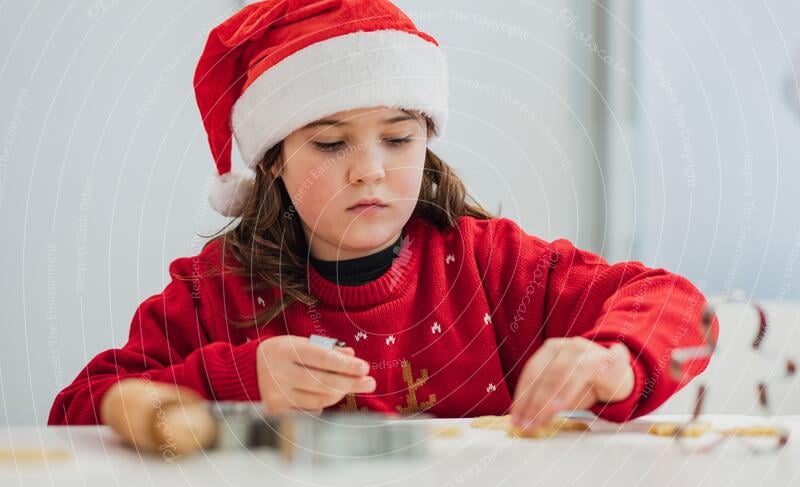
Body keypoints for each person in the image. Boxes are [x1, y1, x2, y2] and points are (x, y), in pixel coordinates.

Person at [48, 0, 717, 431]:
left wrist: (613, 361)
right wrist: (238, 380)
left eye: (398, 138)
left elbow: (680, 307)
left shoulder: (493, 266)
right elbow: (78, 413)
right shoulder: (212, 294)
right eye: (331, 143)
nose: (369, 168)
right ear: (273, 160)